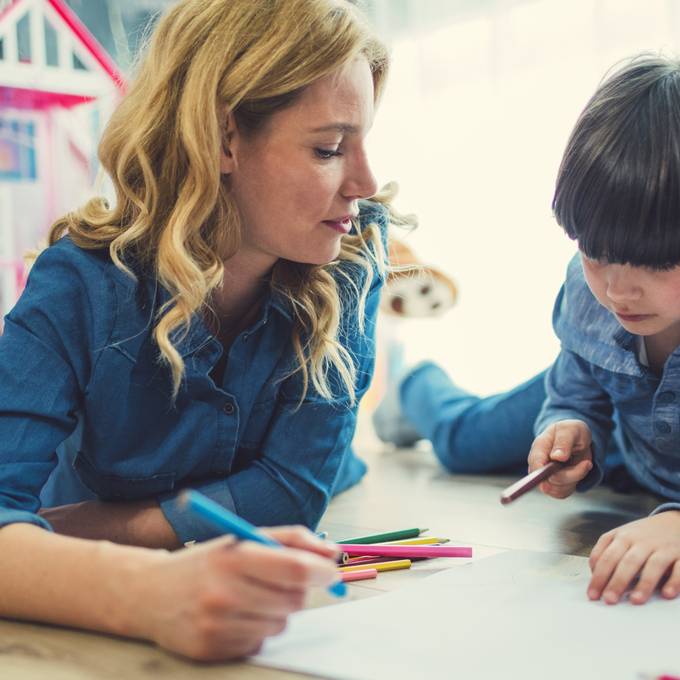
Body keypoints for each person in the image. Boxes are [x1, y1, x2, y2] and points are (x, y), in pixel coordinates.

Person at [0, 0, 394, 661]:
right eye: (329, 148)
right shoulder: (77, 284)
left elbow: (290, 497)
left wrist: (74, 532)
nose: (366, 183)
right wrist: (148, 590)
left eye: (362, 142)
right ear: (221, 140)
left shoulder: (352, 253)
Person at [374, 54, 680, 605]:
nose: (617, 292)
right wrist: (570, 425)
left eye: (657, 264)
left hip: (650, 467)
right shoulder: (593, 302)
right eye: (595, 253)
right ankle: (413, 384)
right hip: (623, 432)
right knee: (463, 442)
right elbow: (574, 394)